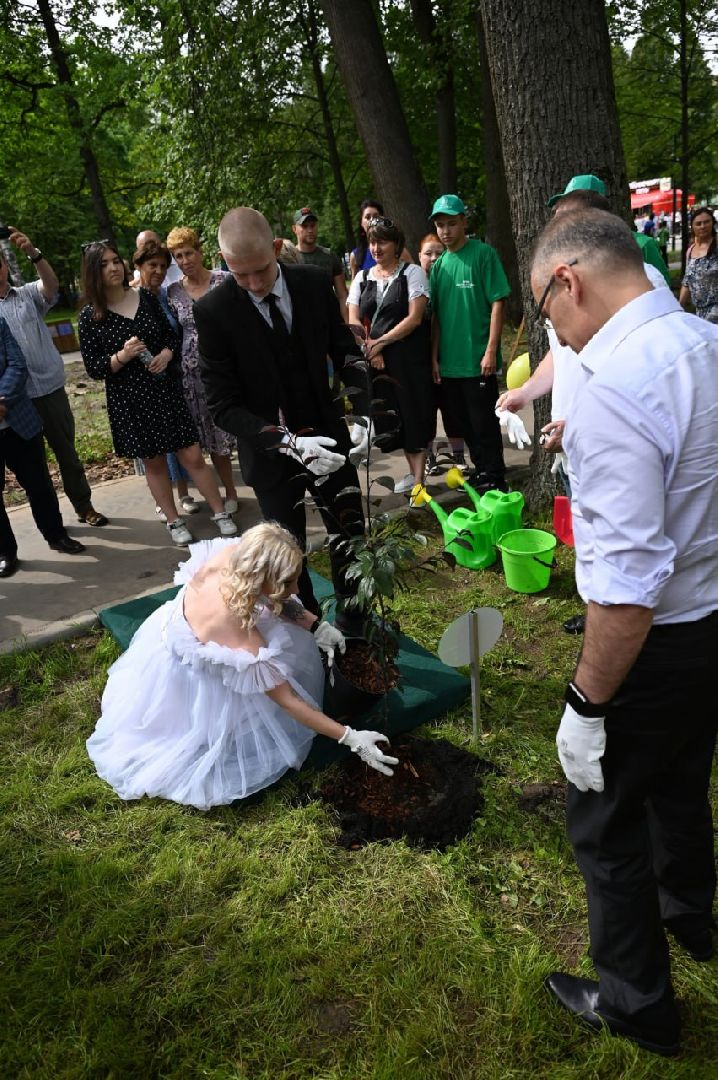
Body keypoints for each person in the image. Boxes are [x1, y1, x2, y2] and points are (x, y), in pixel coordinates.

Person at [531, 207, 718, 1058]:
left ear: (568, 280)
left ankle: (639, 1002)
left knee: (603, 820)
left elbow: (626, 597)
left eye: (546, 312)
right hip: (713, 618)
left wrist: (585, 703)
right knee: (682, 777)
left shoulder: (615, 387)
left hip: (659, 640)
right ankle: (690, 914)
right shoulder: (705, 343)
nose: (555, 338)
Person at [86, 523, 398, 809]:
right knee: (255, 707)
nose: (297, 590)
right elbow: (289, 701)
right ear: (260, 578)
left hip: (185, 624)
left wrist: (315, 626)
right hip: (193, 665)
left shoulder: (236, 556)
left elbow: (267, 600)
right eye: (288, 582)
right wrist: (350, 737)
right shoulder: (241, 635)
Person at [498, 180, 671, 635]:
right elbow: (560, 354)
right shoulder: (562, 280)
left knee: (619, 538)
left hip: (598, 435)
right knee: (584, 523)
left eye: (566, 220)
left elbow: (637, 380)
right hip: (572, 433)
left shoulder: (638, 285)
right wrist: (527, 393)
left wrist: (578, 424)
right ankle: (598, 606)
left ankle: (620, 621)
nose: (556, 229)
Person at [194, 207, 366, 637]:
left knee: (349, 533)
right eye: (241, 275)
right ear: (222, 260)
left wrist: (363, 412)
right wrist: (286, 442)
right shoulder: (213, 311)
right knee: (287, 553)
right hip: (270, 456)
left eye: (262, 271)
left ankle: (355, 618)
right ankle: (311, 631)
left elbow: (345, 351)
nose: (254, 284)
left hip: (328, 438)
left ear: (276, 249)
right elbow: (222, 405)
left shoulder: (311, 283)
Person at [78, 241, 237, 546]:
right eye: (103, 264)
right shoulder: (90, 317)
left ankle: (219, 513)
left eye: (115, 261)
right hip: (130, 398)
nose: (113, 268)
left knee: (191, 454)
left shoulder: (144, 298)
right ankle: (174, 520)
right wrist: (122, 356)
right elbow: (94, 368)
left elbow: (169, 335)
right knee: (154, 463)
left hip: (163, 389)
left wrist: (165, 353)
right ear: (92, 273)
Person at [0, 227, 108, 527]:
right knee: (35, 468)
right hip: (17, 402)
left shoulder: (26, 296)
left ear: (5, 266)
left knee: (68, 456)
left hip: (48, 390)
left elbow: (51, 286)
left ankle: (84, 506)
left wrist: (34, 253)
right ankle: (54, 525)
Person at [429, 194, 510, 494]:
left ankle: (495, 476)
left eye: (451, 223)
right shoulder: (439, 266)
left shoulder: (483, 255)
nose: (446, 231)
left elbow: (498, 303)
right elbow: (436, 315)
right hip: (449, 363)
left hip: (478, 360)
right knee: (463, 424)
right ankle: (481, 471)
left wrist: (491, 350)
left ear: (464, 221)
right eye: (440, 225)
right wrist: (434, 357)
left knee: (484, 423)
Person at [347, 217, 433, 496]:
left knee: (414, 415)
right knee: (392, 419)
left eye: (382, 241)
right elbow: (353, 319)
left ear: (396, 244)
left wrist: (380, 343)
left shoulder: (412, 273)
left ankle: (419, 481)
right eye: (372, 242)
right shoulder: (362, 278)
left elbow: (415, 318)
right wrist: (370, 350)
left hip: (409, 360)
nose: (376, 248)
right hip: (377, 361)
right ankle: (411, 474)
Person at [0, 316, 85, 577]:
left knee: (39, 485)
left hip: (18, 420)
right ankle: (5, 552)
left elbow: (17, 364)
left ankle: (55, 534)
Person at [165, 227, 240, 511]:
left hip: (226, 369)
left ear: (200, 252)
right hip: (191, 379)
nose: (185, 261)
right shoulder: (172, 292)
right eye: (178, 256)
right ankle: (228, 493)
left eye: (189, 253)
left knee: (234, 431)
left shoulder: (224, 281)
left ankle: (249, 487)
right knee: (210, 438)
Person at [132, 239, 196, 519]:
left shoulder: (167, 295)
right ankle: (163, 502)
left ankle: (183, 493)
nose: (157, 270)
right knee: (156, 448)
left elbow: (176, 331)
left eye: (162, 266)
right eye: (152, 266)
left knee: (178, 441)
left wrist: (169, 354)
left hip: (173, 374)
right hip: (143, 382)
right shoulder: (130, 297)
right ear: (139, 266)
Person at [418, 233, 467, 475]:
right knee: (424, 413)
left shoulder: (449, 279)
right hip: (418, 361)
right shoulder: (411, 283)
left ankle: (459, 457)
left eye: (439, 253)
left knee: (452, 410)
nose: (434, 258)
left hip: (447, 357)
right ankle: (430, 458)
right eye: (428, 253)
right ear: (419, 257)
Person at [291, 207, 349, 319]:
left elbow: (342, 295)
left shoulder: (329, 256)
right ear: (294, 229)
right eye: (304, 226)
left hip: (329, 319)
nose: (310, 230)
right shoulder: (289, 258)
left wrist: (349, 326)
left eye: (312, 225)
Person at [349, 199, 413, 279]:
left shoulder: (399, 251)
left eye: (376, 216)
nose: (372, 220)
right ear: (361, 223)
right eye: (367, 217)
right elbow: (354, 285)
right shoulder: (355, 256)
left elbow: (414, 275)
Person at [679, 206, 718, 324]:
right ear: (692, 226)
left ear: (713, 223)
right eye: (698, 223)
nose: (703, 226)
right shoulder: (691, 251)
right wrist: (678, 307)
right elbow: (687, 281)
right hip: (700, 313)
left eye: (706, 222)